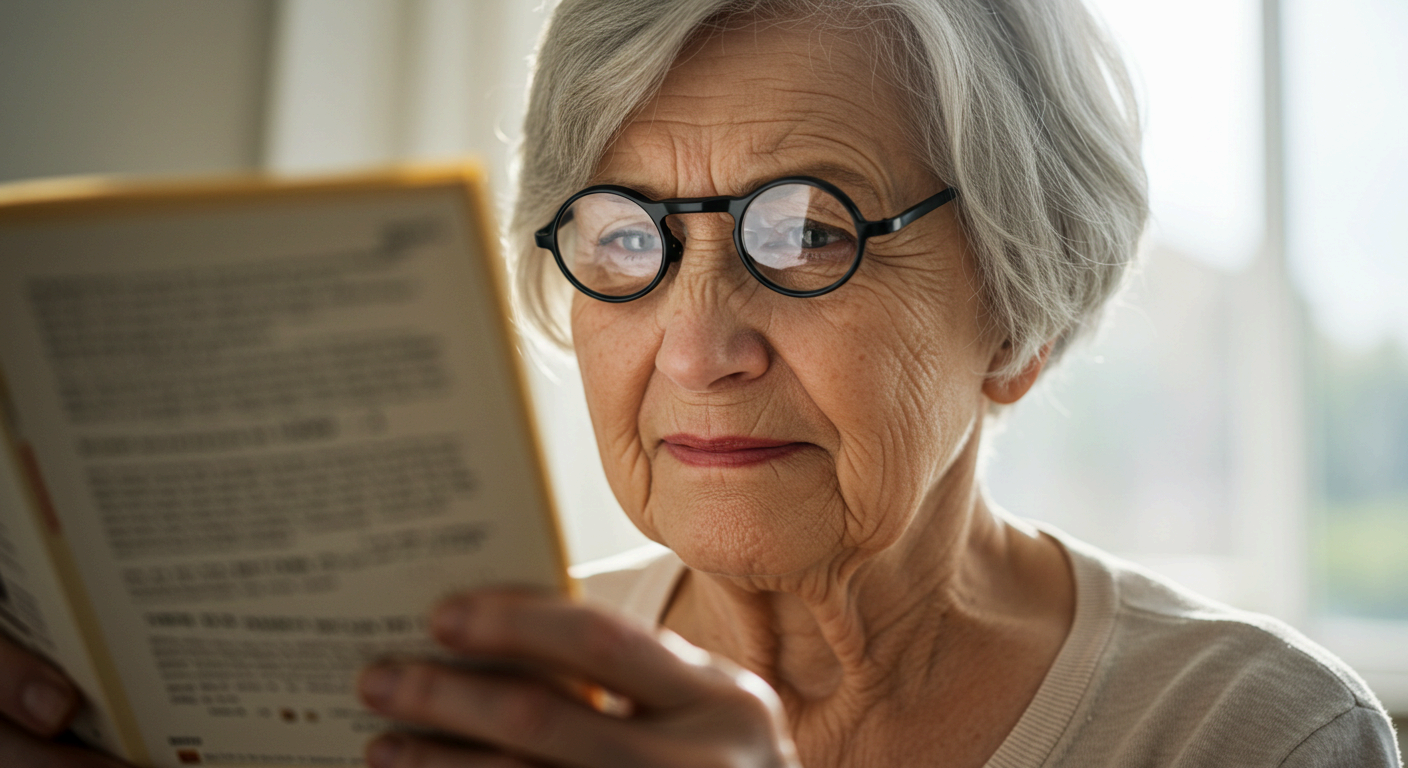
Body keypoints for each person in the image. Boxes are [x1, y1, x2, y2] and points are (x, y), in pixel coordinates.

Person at [1, 0, 1401, 766]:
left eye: (808, 232)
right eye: (626, 238)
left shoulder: (1251, 734)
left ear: (1019, 312)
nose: (695, 346)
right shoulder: (454, 690)